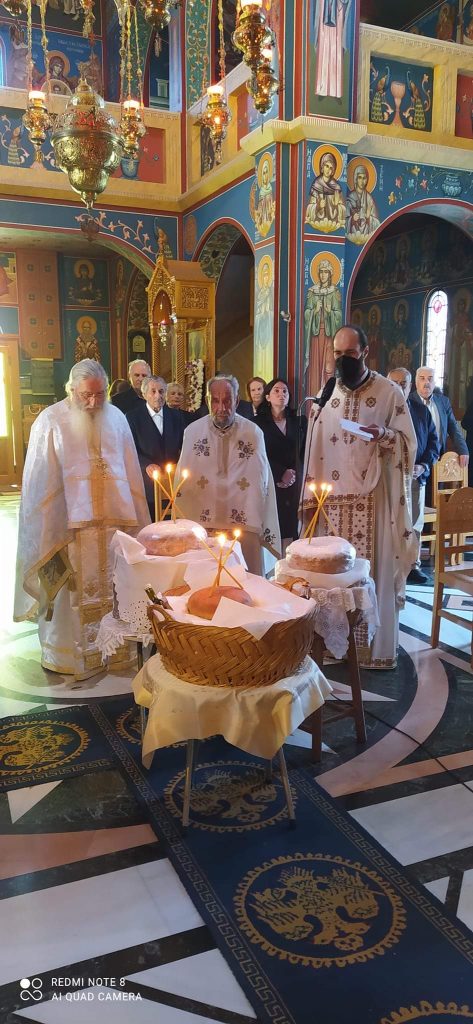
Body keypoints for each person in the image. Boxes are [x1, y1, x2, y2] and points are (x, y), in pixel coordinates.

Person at [14, 360, 150, 680]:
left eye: (100, 395)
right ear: (71, 390)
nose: (92, 403)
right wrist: (53, 526)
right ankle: (67, 655)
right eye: (85, 396)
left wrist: (135, 526)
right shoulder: (50, 421)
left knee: (116, 590)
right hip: (69, 531)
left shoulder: (116, 418)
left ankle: (115, 653)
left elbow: (130, 474)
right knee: (70, 596)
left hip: (112, 529)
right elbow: (38, 484)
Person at [301, 325, 417, 669]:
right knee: (333, 577)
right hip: (333, 504)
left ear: (365, 352)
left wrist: (384, 435)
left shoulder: (388, 392)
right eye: (337, 354)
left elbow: (409, 444)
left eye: (349, 354)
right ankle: (335, 646)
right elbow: (315, 446)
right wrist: (310, 503)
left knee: (372, 572)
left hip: (374, 502)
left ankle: (372, 651)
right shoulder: (329, 393)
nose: (342, 360)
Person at [174, 375, 281, 574]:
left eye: (227, 401)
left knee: (247, 584)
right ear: (207, 401)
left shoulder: (253, 433)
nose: (221, 408)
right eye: (215, 400)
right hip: (203, 528)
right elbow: (182, 487)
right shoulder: (193, 433)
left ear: (237, 401)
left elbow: (261, 484)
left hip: (244, 528)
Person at [388, 368, 440, 585]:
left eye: (404, 383)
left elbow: (433, 444)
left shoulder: (421, 412)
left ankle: (413, 565)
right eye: (395, 382)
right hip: (388, 477)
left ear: (410, 386)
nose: (400, 386)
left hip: (416, 478)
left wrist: (423, 465)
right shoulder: (381, 410)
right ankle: (389, 563)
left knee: (414, 523)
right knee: (391, 521)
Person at [257, 378, 307, 551]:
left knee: (294, 526)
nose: (281, 394)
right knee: (275, 521)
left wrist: (293, 473)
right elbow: (259, 454)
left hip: (296, 482)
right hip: (272, 480)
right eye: (276, 391)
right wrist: (280, 473)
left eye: (285, 391)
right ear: (268, 397)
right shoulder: (258, 424)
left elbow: (304, 450)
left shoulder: (300, 422)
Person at [126, 375, 185, 519]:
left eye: (161, 391)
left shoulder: (176, 416)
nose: (158, 395)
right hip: (147, 485)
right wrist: (146, 465)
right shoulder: (133, 418)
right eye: (153, 391)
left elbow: (184, 446)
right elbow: (129, 449)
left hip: (173, 484)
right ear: (144, 394)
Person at [410, 367, 469, 465]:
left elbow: (453, 428)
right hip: (416, 461)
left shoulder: (443, 402)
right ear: (416, 382)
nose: (426, 383)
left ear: (434, 382)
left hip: (439, 459)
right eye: (422, 378)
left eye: (430, 378)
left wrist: (463, 450)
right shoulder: (408, 402)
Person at [303, 259, 343, 395]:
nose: (323, 275)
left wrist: (329, 312)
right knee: (315, 368)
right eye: (321, 272)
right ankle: (313, 400)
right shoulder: (312, 292)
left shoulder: (334, 292)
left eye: (326, 272)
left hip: (330, 337)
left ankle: (328, 400)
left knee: (328, 368)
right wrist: (314, 310)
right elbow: (306, 313)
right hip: (315, 335)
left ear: (330, 274)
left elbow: (339, 315)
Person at [305, 152, 346, 231]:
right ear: (322, 167)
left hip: (333, 223)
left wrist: (336, 205)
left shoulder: (336, 188)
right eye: (327, 166)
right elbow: (310, 207)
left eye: (331, 168)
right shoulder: (316, 185)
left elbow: (343, 209)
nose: (328, 170)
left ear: (333, 171)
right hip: (318, 222)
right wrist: (318, 206)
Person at [346, 164, 380, 244]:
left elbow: (378, 224)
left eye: (364, 178)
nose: (362, 181)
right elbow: (343, 221)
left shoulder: (369, 199)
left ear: (367, 180)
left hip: (366, 233)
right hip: (353, 234)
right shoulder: (350, 198)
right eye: (359, 178)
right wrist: (352, 219)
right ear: (355, 179)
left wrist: (369, 218)